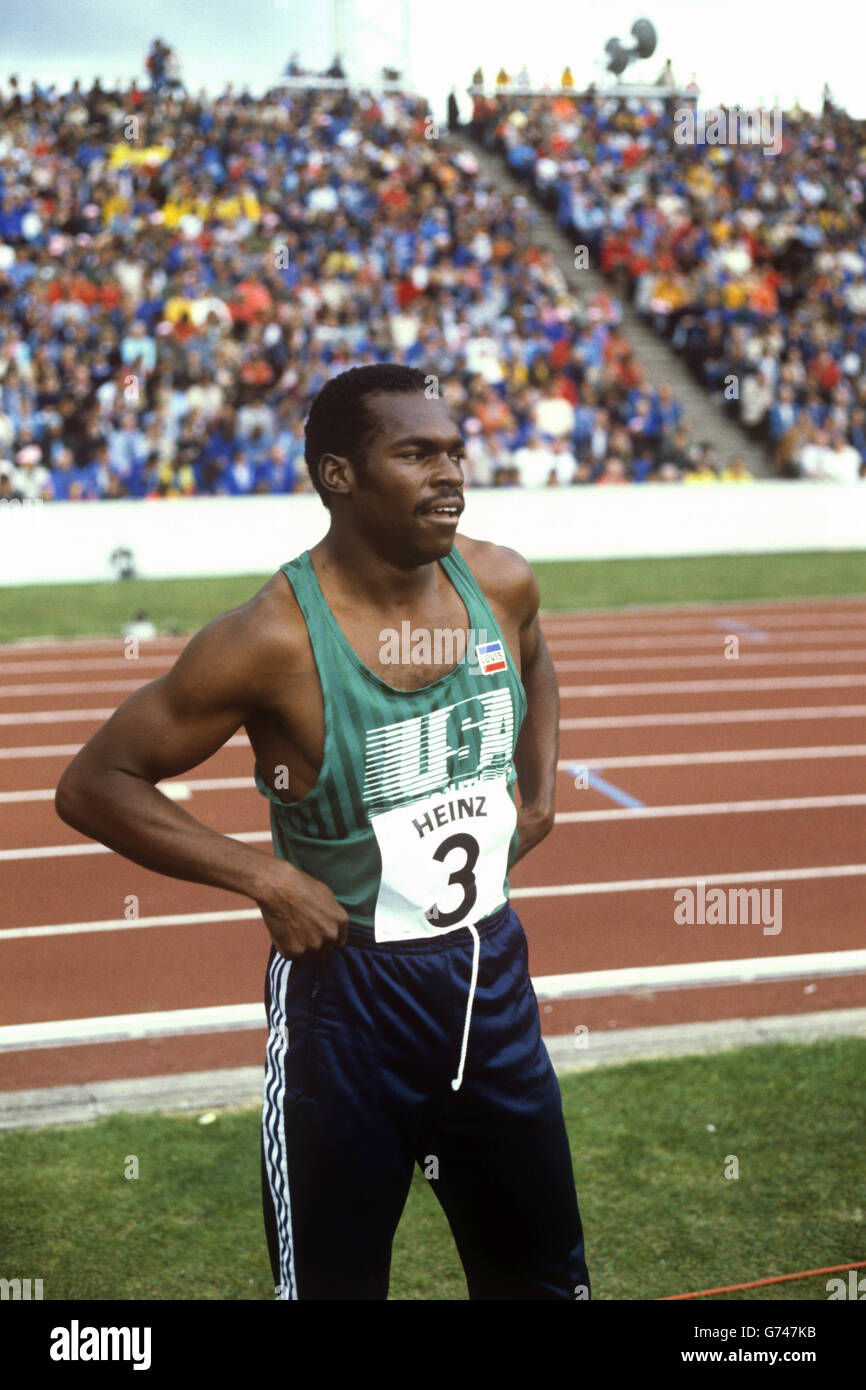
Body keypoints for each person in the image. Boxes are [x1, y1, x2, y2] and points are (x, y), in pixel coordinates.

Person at [55, 363, 590, 1302]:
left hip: (489, 981)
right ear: (338, 475)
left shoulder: (500, 581)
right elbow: (96, 782)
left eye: (455, 451)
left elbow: (537, 662)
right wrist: (264, 878)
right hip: (346, 1009)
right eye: (416, 454)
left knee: (542, 1281)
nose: (451, 474)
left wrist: (537, 794)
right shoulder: (272, 639)